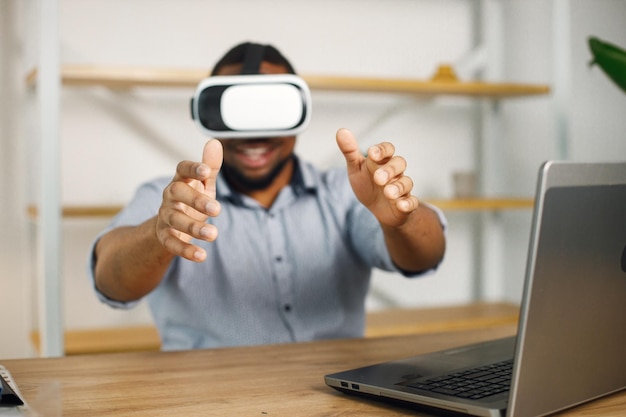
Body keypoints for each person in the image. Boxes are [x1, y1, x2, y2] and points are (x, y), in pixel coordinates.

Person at [89, 42, 447, 351]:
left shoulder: (348, 192)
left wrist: (403, 221)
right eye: (237, 111)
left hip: (337, 396)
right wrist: (158, 235)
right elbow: (110, 283)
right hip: (206, 397)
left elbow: (425, 257)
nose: (254, 134)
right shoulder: (172, 200)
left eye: (270, 109)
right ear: (209, 112)